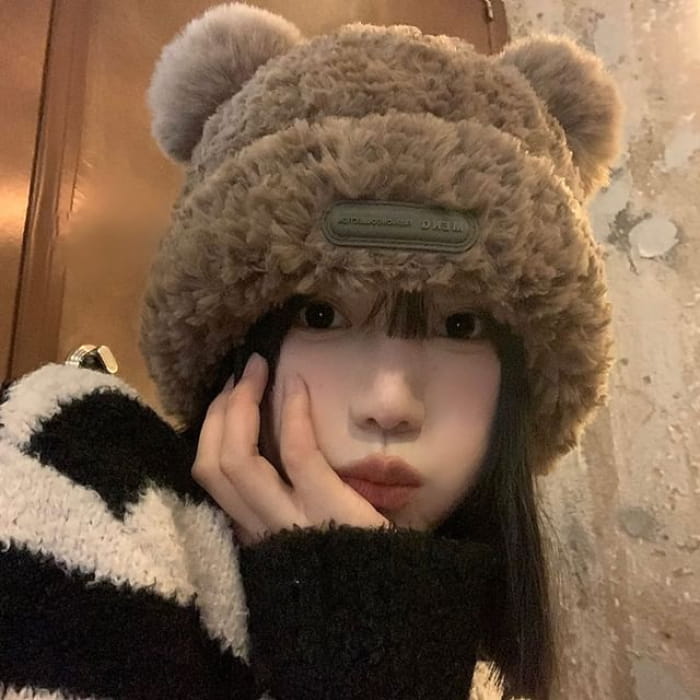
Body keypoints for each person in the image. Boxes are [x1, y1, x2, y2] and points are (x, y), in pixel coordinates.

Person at [0, 3, 623, 699]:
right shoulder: (70, 472)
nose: (390, 403)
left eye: (460, 326)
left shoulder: (479, 665)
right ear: (236, 337)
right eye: (322, 314)